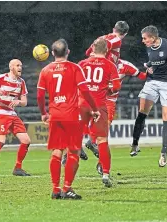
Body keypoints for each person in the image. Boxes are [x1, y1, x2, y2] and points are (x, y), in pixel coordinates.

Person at [37, 39, 100, 199]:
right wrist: (94, 109)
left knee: (57, 151)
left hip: (55, 115)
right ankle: (67, 188)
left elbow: (39, 95)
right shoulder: (74, 68)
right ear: (68, 52)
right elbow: (85, 91)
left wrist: (44, 112)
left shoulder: (45, 70)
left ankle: (55, 189)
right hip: (72, 115)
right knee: (73, 151)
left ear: (52, 53)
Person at [130, 25, 167, 167]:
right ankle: (135, 144)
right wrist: (148, 66)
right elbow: (155, 60)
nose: (143, 41)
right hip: (151, 82)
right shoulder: (149, 47)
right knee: (142, 112)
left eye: (145, 38)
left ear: (153, 37)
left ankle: (163, 153)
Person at [78, 39, 121, 187]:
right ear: (107, 51)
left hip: (82, 104)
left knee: (74, 136)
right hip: (99, 105)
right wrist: (104, 88)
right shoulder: (110, 65)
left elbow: (73, 82)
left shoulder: (82, 63)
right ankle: (106, 174)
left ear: (93, 48)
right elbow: (116, 86)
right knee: (102, 140)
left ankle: (67, 173)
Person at [0, 59, 31, 179]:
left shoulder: (21, 82)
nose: (20, 67)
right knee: (1, 141)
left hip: (12, 114)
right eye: (18, 65)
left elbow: (24, 102)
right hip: (0, 113)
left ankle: (17, 168)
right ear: (11, 67)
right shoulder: (1, 78)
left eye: (21, 65)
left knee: (26, 140)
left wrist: (18, 101)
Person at [84, 21, 129, 154]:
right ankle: (94, 143)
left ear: (113, 28)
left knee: (87, 114)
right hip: (104, 80)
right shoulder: (116, 40)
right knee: (105, 116)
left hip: (94, 79)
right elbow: (105, 47)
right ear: (125, 34)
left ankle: (75, 149)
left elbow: (88, 52)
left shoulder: (100, 38)